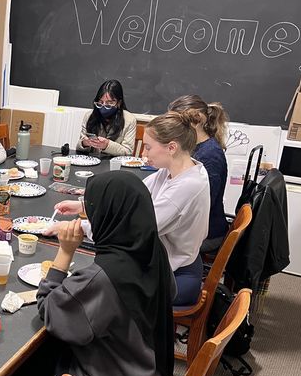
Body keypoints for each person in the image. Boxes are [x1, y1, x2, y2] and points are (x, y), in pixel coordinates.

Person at [37, 172, 174, 376]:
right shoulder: (153, 248)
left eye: (91, 210)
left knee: (25, 368)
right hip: (152, 372)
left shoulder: (102, 277)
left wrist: (65, 253)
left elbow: (49, 311)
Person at [55, 110, 209, 306]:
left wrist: (79, 227)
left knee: (90, 295)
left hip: (173, 271)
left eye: (147, 148)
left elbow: (132, 233)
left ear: (171, 147)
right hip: (168, 256)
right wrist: (84, 205)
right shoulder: (174, 170)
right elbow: (131, 199)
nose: (143, 155)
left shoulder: (187, 187)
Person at [169, 95, 229, 252]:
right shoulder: (195, 146)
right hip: (198, 227)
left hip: (207, 234)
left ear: (194, 122)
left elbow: (202, 204)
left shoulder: (209, 156)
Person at [76, 79, 137, 156]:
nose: (104, 107)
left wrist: (107, 145)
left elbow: (128, 152)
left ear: (119, 103)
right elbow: (79, 147)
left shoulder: (129, 120)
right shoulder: (89, 116)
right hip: (92, 162)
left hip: (114, 164)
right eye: (100, 103)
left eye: (109, 103)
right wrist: (84, 143)